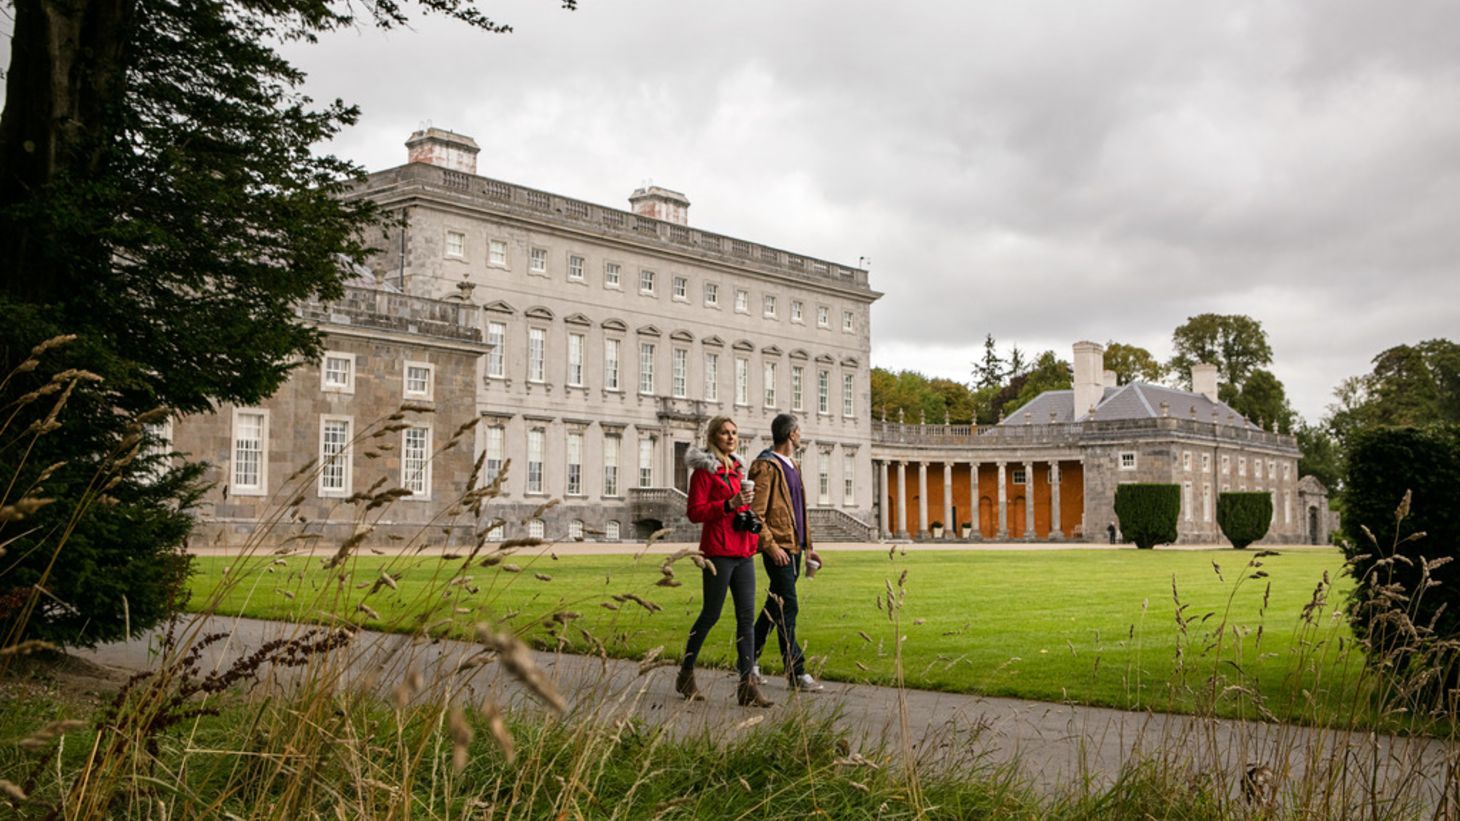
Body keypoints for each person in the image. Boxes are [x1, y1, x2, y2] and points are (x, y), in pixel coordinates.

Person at [677, 416, 774, 708]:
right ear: (713, 437)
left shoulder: (738, 470)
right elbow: (695, 512)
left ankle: (747, 684)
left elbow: (740, 508)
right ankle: (686, 672)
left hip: (743, 551)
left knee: (746, 618)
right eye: (724, 432)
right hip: (718, 551)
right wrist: (728, 504)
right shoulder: (704, 473)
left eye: (734, 433)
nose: (731, 437)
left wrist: (746, 506)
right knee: (711, 614)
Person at [748, 413, 825, 692]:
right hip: (777, 548)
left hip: (794, 546)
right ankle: (796, 671)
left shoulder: (793, 465)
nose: (800, 435)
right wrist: (770, 546)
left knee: (775, 604)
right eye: (799, 431)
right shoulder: (766, 466)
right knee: (788, 606)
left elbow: (798, 510)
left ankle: (748, 660)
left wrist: (809, 547)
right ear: (792, 434)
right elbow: (755, 513)